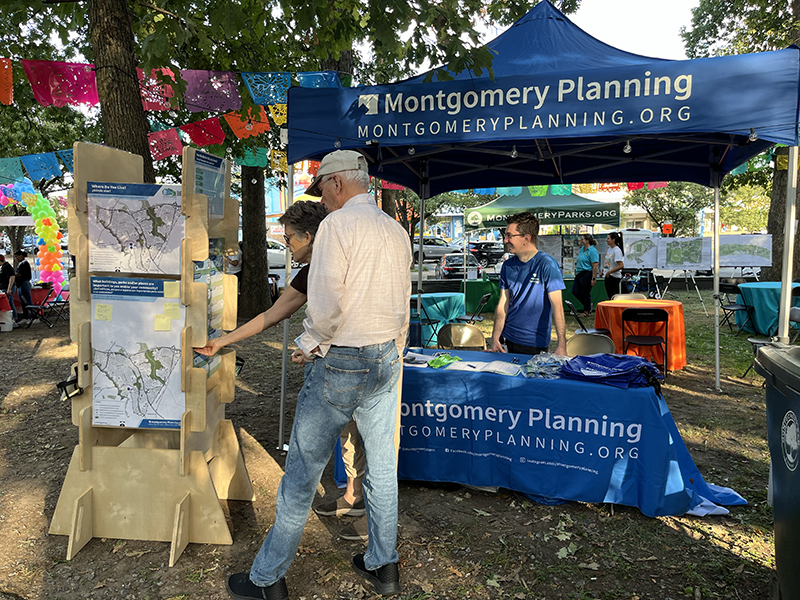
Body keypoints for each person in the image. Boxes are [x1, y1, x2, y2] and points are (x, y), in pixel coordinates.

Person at [226, 150, 411, 600]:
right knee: (382, 469)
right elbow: (402, 299)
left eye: (322, 188)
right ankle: (383, 566)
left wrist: (309, 344)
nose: (322, 197)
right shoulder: (394, 229)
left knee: (301, 475)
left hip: (344, 358)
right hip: (385, 355)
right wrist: (394, 350)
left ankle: (267, 580)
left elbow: (325, 303)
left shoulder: (336, 225)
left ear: (337, 184)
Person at [196, 201, 328, 357]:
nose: (286, 244)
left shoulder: (334, 270)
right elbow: (270, 316)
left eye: (288, 237)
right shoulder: (307, 274)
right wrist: (221, 341)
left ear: (307, 237)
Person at [490, 213, 567, 356]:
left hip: (534, 343)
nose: (506, 240)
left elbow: (557, 306)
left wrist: (562, 344)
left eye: (509, 236)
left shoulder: (547, 264)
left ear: (526, 238)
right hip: (507, 338)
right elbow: (503, 303)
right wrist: (495, 337)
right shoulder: (507, 266)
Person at [571, 234, 599, 317]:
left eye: (582, 239)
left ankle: (586, 311)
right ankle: (588, 304)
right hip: (579, 273)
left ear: (587, 241)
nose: (581, 240)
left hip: (587, 273)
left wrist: (593, 278)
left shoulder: (592, 251)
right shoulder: (582, 249)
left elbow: (595, 265)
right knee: (575, 291)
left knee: (585, 292)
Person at [599, 231, 625, 299]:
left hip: (614, 277)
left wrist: (609, 272)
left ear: (613, 240)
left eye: (608, 238)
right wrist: (603, 271)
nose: (606, 240)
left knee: (614, 296)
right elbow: (608, 262)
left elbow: (621, 265)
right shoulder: (610, 249)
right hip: (608, 276)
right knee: (610, 296)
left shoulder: (616, 250)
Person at [13, 250, 33, 323]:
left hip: (24, 284)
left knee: (27, 301)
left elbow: (21, 274)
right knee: (22, 302)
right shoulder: (20, 264)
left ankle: (34, 316)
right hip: (19, 285)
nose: (16, 258)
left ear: (21, 256)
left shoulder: (25, 264)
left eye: (17, 256)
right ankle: (26, 316)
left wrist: (13, 274)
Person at [0, 253, 16, 328]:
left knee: (9, 304)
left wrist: (9, 289)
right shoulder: (3, 267)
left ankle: (13, 319)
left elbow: (12, 277)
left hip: (8, 287)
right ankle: (13, 319)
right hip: (5, 287)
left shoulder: (7, 266)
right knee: (10, 303)